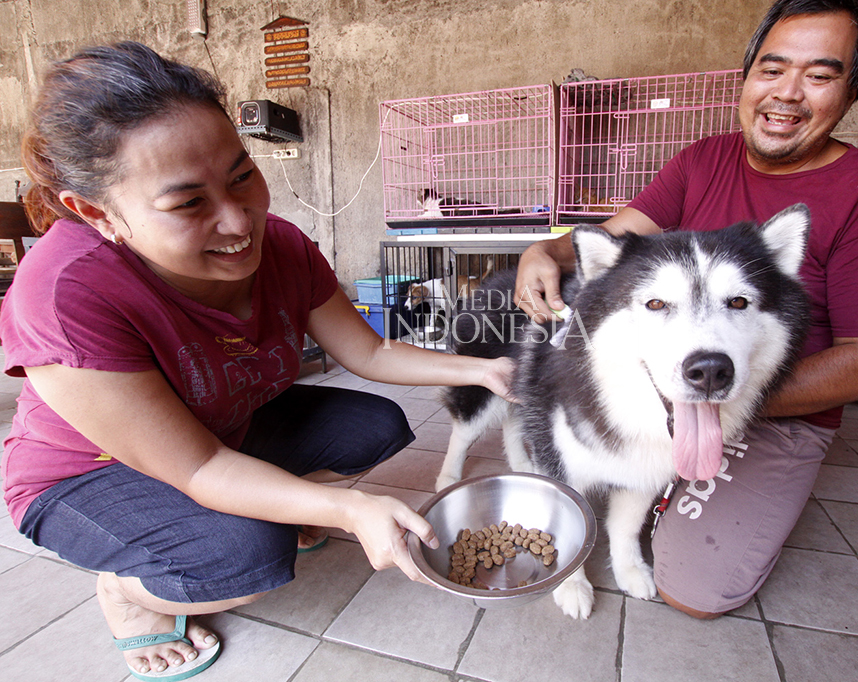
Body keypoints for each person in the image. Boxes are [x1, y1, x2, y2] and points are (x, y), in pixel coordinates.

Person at [1, 42, 514, 680]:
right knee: (249, 557)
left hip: (219, 429)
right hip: (85, 476)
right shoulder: (65, 293)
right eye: (188, 203)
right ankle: (130, 594)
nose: (238, 220)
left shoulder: (283, 247)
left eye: (242, 175)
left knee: (375, 425)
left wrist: (482, 370)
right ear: (96, 212)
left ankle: (258, 504)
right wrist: (346, 509)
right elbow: (198, 464)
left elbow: (370, 350)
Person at [515, 0, 858, 619]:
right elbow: (615, 243)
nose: (787, 94)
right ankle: (655, 478)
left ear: (851, 91)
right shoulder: (702, 160)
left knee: (697, 592)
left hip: (780, 407)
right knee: (602, 439)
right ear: (747, 75)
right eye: (772, 68)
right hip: (676, 386)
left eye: (819, 75)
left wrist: (721, 404)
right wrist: (541, 250)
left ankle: (665, 489)